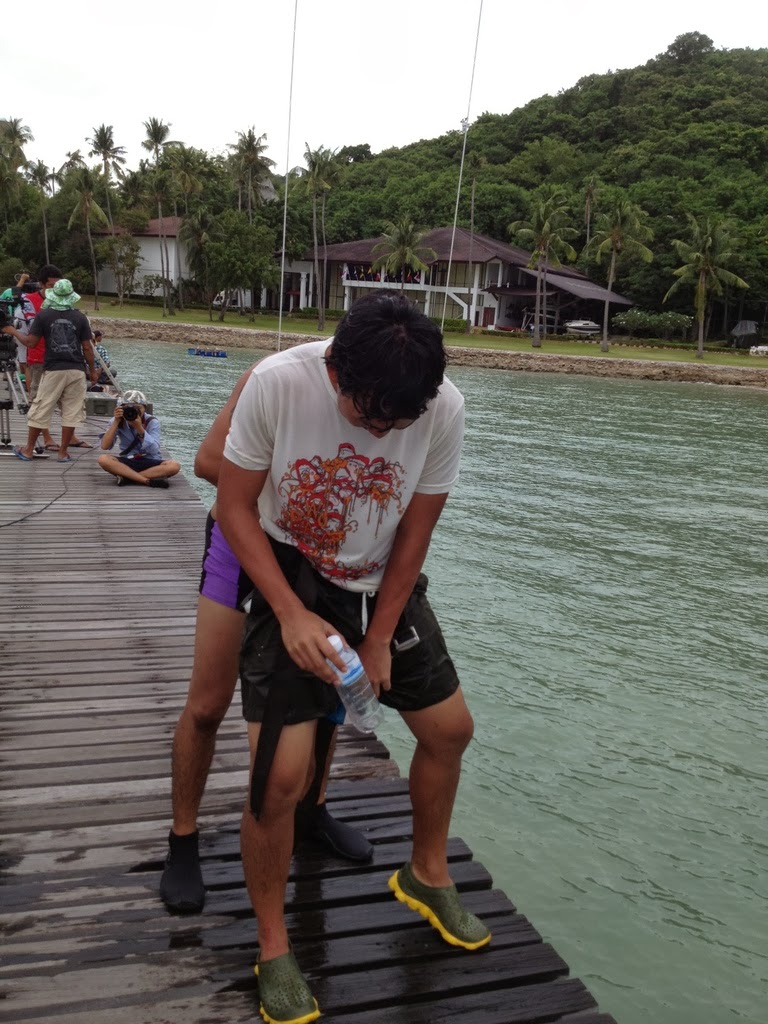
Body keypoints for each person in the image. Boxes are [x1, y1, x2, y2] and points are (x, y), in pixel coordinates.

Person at [216, 292, 489, 1024]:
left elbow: (415, 534)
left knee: (450, 731)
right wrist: (290, 613)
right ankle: (274, 945)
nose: (382, 432)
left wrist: (377, 637)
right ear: (335, 370)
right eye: (369, 417)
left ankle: (427, 872)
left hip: (378, 585)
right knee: (279, 779)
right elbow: (234, 507)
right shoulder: (278, 383)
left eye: (397, 423)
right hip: (292, 575)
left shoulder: (442, 407)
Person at [160, 369, 372, 914]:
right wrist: (299, 492)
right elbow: (209, 461)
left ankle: (312, 809)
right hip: (241, 547)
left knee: (325, 698)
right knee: (207, 704)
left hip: (318, 564)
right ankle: (183, 836)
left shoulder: (377, 398)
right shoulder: (272, 380)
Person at [2, 278, 98, 462]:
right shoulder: (80, 317)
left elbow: (31, 342)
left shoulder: (44, 316)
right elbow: (87, 347)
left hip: (54, 369)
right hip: (77, 370)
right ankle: (62, 452)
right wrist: (92, 371)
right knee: (71, 411)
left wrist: (12, 331)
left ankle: (29, 449)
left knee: (41, 408)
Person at [97, 389, 181, 488]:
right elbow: (105, 446)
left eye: (138, 408)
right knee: (103, 459)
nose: (133, 411)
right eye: (128, 408)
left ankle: (128, 477)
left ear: (144, 408)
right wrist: (116, 422)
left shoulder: (152, 422)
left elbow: (154, 450)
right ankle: (146, 480)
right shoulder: (117, 421)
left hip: (150, 460)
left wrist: (139, 428)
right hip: (129, 459)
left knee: (174, 466)